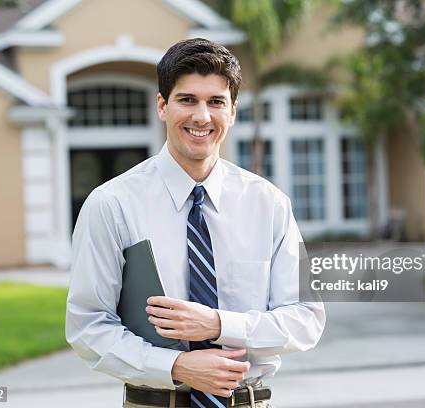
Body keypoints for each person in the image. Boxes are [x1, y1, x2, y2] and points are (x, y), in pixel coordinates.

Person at [65, 38, 326, 408]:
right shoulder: (113, 204)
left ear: (233, 111)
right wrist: (177, 366)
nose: (202, 116)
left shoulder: (268, 205)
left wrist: (220, 325)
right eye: (187, 100)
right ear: (162, 106)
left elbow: (306, 319)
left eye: (216, 102)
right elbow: (88, 327)